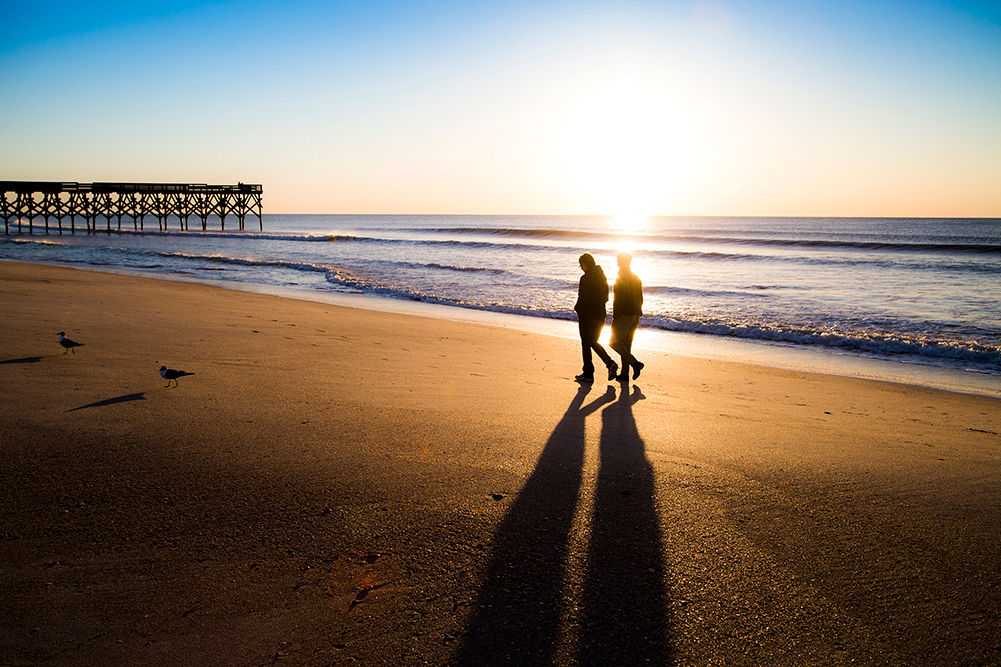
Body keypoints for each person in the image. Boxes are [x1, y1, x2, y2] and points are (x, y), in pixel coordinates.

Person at [573, 253, 618, 383]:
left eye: (581, 265)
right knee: (593, 341)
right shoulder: (602, 277)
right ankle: (610, 364)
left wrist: (578, 309)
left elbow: (583, 298)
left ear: (585, 265)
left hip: (587, 315)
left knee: (586, 344)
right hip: (600, 314)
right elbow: (606, 298)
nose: (581, 268)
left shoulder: (585, 278)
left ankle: (588, 373)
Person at [610, 251, 644, 381]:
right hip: (635, 314)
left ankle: (635, 364)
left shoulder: (621, 278)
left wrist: (616, 316)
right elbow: (641, 298)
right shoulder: (636, 277)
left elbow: (619, 300)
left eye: (618, 260)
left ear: (621, 262)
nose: (617, 262)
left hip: (625, 314)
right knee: (626, 344)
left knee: (614, 342)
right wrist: (638, 312)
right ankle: (624, 374)